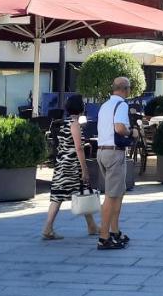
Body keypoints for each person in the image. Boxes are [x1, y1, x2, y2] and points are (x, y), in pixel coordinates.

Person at [42, 95, 99, 240]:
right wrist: (84, 169)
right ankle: (91, 226)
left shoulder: (62, 123)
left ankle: (49, 227)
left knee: (59, 196)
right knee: (82, 191)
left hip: (61, 164)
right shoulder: (74, 124)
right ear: (80, 108)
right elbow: (78, 148)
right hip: (71, 166)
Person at [95, 77, 132, 250]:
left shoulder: (105, 105)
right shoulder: (122, 105)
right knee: (111, 195)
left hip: (101, 151)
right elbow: (119, 128)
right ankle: (104, 236)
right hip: (114, 152)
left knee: (118, 192)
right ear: (125, 89)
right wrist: (131, 133)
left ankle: (115, 231)